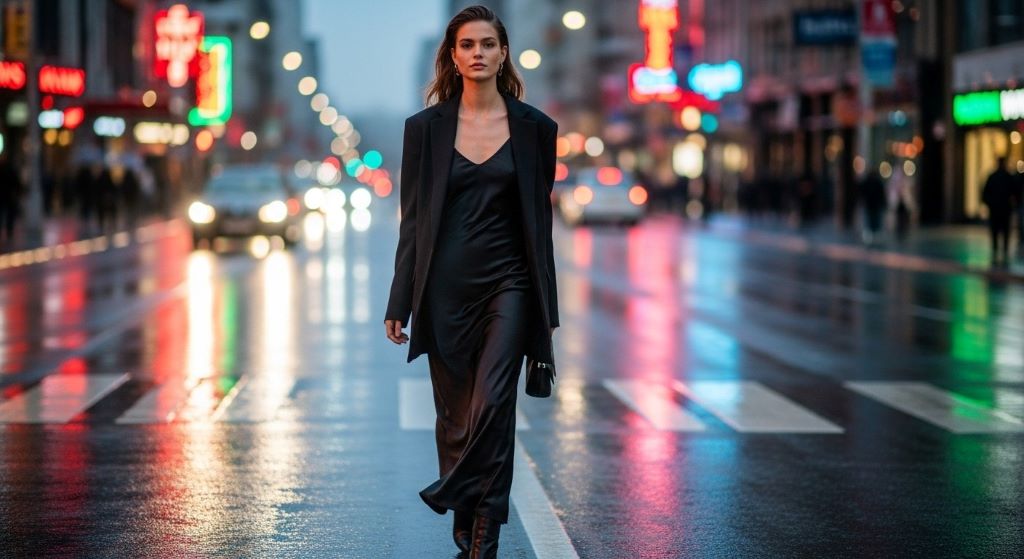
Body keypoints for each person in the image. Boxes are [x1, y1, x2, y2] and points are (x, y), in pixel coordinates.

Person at [383, 6, 559, 558]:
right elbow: (413, 222)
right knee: (456, 418)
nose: (478, 53)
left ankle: (484, 537)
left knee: (494, 405)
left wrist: (545, 313)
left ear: (504, 52)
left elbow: (540, 222)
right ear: (453, 57)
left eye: (488, 43)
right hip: (444, 290)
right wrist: (400, 300)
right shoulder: (424, 130)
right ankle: (464, 509)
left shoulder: (536, 129)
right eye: (467, 45)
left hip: (510, 286)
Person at [982, 156, 1017, 265]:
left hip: (998, 209)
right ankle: (1001, 251)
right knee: (1003, 231)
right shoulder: (1006, 177)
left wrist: (990, 203)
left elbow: (985, 193)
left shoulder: (995, 177)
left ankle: (997, 250)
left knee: (996, 231)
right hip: (1002, 209)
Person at [858, 168, 886, 245]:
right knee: (875, 219)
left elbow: (861, 191)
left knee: (871, 219)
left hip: (870, 204)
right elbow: (882, 194)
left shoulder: (867, 181)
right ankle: (874, 235)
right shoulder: (878, 182)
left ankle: (871, 235)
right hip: (874, 204)